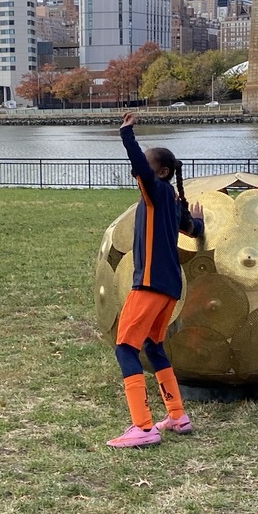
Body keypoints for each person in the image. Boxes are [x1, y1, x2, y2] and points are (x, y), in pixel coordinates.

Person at [107, 112, 205, 448]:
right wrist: (197, 222)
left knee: (125, 348)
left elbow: (139, 166)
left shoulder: (156, 191)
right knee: (153, 346)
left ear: (161, 172)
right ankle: (177, 415)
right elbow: (192, 229)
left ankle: (143, 427)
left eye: (149, 166)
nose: (142, 172)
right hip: (170, 288)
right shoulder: (172, 201)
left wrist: (127, 135)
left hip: (149, 285)